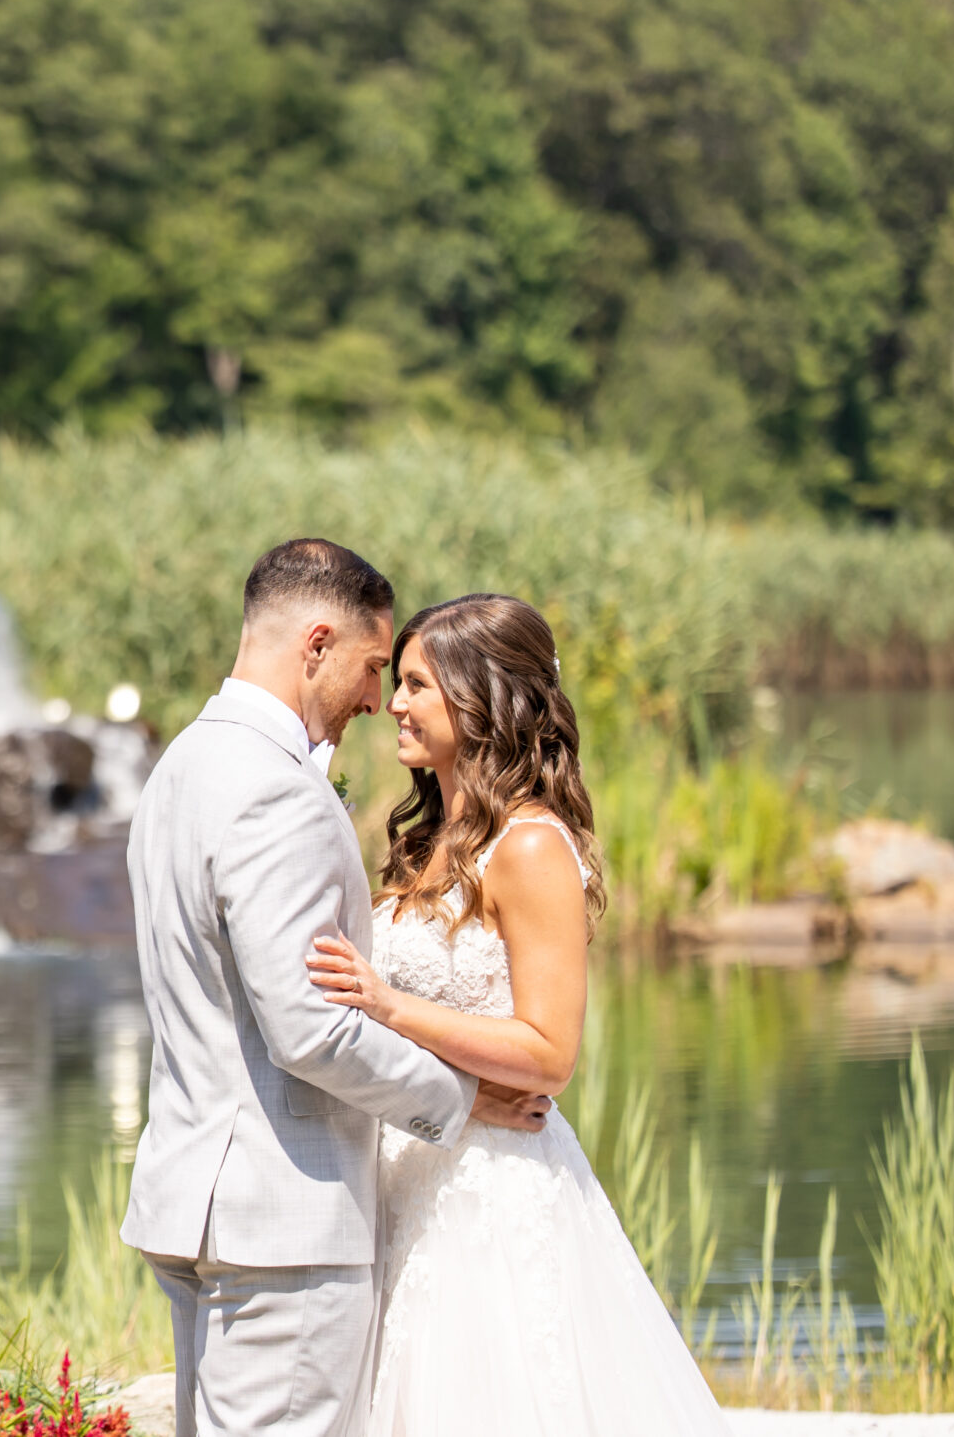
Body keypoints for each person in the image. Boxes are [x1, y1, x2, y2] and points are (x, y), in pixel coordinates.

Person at [120, 540, 548, 1437]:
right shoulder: (277, 791)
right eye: (368, 665)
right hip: (282, 1221)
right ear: (315, 643)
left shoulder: (179, 769)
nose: (373, 697)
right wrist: (459, 1099)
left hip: (197, 1206)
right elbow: (310, 1030)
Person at [304, 593, 730, 1435]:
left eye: (418, 684)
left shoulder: (531, 845)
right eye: (398, 682)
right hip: (409, 1174)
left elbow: (548, 1051)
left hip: (492, 1191)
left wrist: (389, 1001)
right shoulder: (427, 837)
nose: (394, 702)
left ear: (481, 698)